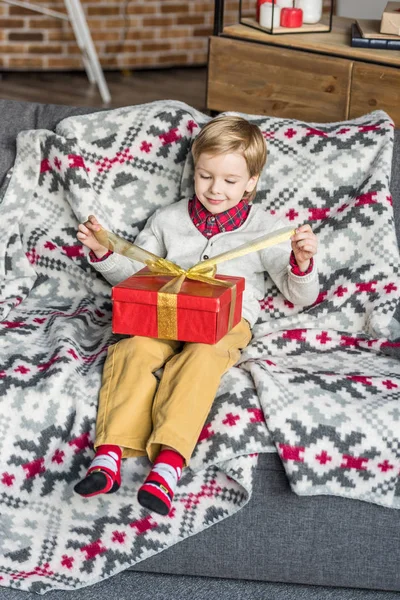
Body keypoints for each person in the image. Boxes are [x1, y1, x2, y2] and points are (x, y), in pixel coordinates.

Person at [74, 115, 319, 516]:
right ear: (195, 169)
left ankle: (167, 466)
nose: (215, 189)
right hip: (166, 312)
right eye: (206, 176)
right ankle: (109, 455)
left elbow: (301, 296)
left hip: (227, 324)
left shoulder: (268, 229)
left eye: (229, 180)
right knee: (133, 348)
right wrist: (104, 253)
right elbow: (136, 275)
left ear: (251, 181)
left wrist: (303, 262)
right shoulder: (168, 220)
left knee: (201, 359)